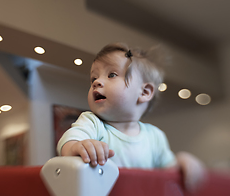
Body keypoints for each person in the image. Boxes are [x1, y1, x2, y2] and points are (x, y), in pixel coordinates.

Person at [57, 42, 206, 192]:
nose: (96, 82)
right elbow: (68, 143)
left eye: (112, 75)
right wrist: (78, 146)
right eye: (93, 78)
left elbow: (168, 176)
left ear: (144, 92)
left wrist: (182, 162)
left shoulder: (155, 137)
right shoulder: (92, 123)